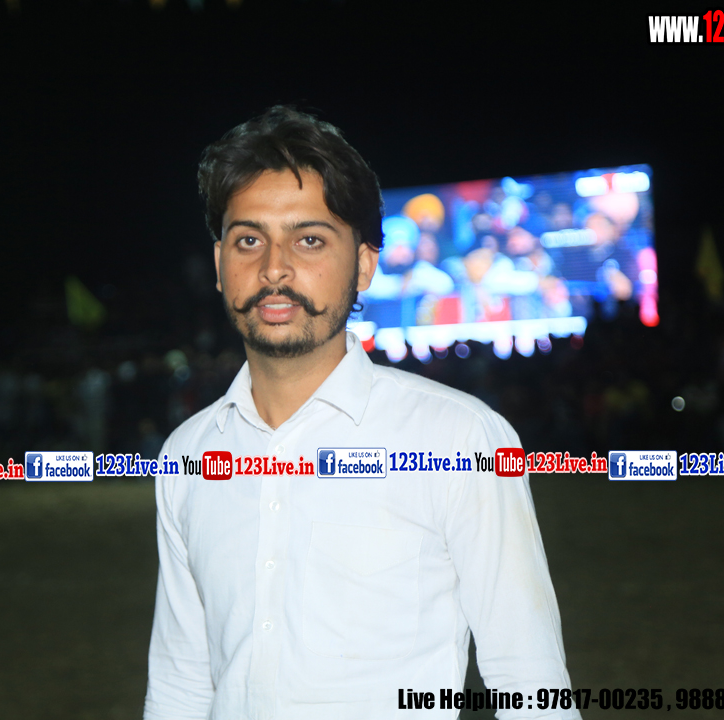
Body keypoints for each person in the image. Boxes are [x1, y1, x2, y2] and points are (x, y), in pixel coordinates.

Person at [143, 106, 580, 720]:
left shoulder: (459, 438)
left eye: (309, 239)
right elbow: (181, 685)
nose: (274, 267)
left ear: (365, 264)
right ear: (219, 264)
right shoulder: (188, 455)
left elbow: (530, 683)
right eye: (249, 239)